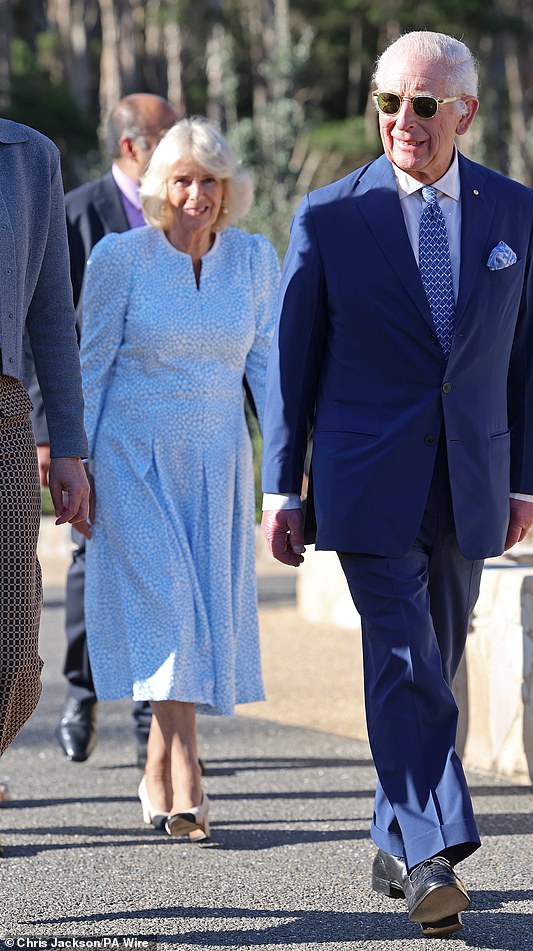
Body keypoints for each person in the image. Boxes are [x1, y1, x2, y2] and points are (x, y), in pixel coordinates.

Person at [261, 31, 533, 939]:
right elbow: (289, 366)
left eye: (423, 104)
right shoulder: (328, 216)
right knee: (400, 656)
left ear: (463, 111)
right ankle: (432, 854)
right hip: (365, 478)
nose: (403, 122)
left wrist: (529, 478)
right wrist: (283, 488)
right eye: (389, 102)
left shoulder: (514, 210)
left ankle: (394, 835)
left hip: (472, 476)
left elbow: (528, 357)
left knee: (436, 661)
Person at [76, 117, 279, 841]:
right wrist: (73, 462)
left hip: (220, 465)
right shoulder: (119, 257)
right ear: (161, 187)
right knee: (173, 609)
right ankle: (188, 770)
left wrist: (285, 479)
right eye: (183, 179)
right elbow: (89, 366)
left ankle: (156, 763)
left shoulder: (255, 259)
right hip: (131, 461)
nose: (196, 194)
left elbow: (272, 376)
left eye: (209, 180)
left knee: (195, 612)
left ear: (228, 189)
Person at [24, 94, 178, 765]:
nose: (180, 148)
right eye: (166, 136)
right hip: (90, 420)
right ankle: (82, 691)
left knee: (162, 568)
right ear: (130, 147)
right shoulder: (75, 212)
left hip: (166, 421)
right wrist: (49, 430)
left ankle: (152, 720)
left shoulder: (182, 210)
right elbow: (42, 321)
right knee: (91, 561)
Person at [0, 119, 89, 761]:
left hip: (4, 418)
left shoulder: (29, 158)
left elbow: (52, 314)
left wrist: (67, 444)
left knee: (10, 642)